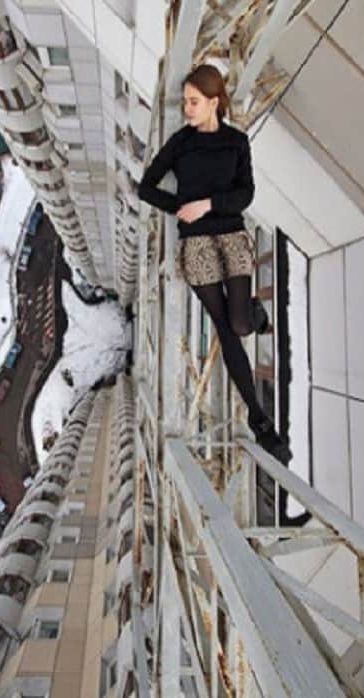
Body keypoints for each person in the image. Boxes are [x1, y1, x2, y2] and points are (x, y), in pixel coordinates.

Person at [137, 64, 290, 464]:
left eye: (193, 101)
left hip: (231, 232)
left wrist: (208, 204)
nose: (187, 108)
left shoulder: (236, 142)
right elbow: (145, 187)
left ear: (214, 102)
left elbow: (246, 194)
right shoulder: (180, 143)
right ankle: (261, 424)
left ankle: (254, 315)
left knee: (240, 323)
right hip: (197, 242)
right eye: (186, 101)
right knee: (225, 328)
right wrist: (181, 209)